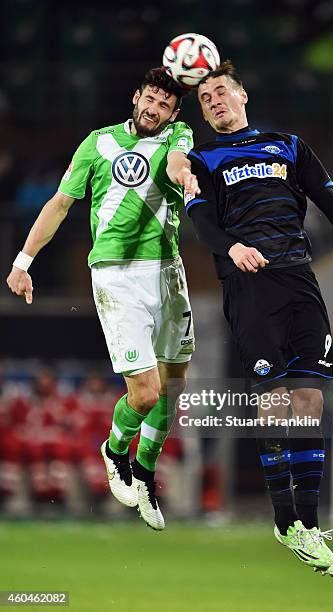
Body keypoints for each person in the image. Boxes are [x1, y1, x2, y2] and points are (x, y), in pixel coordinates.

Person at [185, 60, 333, 575]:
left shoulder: (287, 145)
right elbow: (202, 222)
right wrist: (234, 247)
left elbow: (329, 200)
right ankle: (283, 517)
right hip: (248, 284)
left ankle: (306, 524)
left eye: (222, 92)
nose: (215, 101)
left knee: (309, 396)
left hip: (298, 278)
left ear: (243, 97)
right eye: (206, 99)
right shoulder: (200, 159)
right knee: (273, 398)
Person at [7, 67, 200, 531]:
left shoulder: (179, 133)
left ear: (174, 112)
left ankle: (146, 474)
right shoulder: (98, 143)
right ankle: (115, 451)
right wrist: (22, 260)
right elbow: (59, 204)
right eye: (150, 99)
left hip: (169, 271)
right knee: (145, 392)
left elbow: (178, 161)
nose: (155, 109)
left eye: (165, 105)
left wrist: (182, 169)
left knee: (172, 389)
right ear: (136, 97)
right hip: (117, 275)